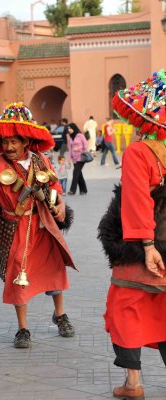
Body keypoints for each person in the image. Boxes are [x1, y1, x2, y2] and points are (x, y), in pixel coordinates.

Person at [0, 102, 76, 348]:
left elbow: (55, 187)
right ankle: (23, 329)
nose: (9, 146)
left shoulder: (41, 160)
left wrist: (61, 204)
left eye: (14, 141)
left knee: (54, 269)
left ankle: (60, 314)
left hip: (43, 225)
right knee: (17, 275)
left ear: (26, 141)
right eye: (5, 142)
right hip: (15, 228)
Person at [99, 69, 166, 399]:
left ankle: (133, 383)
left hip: (141, 250)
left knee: (126, 309)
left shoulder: (140, 152)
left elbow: (137, 200)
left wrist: (148, 245)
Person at [67, 123, 88, 196]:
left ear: (74, 128)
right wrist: (69, 159)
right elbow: (70, 149)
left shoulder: (80, 136)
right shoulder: (70, 137)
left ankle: (72, 190)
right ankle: (83, 190)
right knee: (79, 174)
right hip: (74, 159)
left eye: (70, 128)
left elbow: (85, 145)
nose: (69, 130)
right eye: (68, 128)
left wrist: (78, 149)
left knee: (75, 173)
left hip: (81, 158)